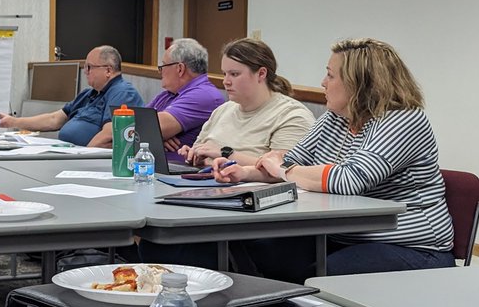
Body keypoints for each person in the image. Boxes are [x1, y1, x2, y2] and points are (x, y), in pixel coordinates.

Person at [215, 37, 455, 279]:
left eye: (330, 76)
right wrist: (245, 172)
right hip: (340, 235)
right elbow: (293, 161)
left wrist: (283, 170)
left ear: (359, 83)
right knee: (253, 249)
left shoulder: (403, 120)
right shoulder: (335, 118)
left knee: (320, 276)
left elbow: (350, 179)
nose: (323, 83)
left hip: (412, 247)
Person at [179, 37, 314, 166]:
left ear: (261, 74)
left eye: (234, 74)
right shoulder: (222, 110)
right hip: (204, 183)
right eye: (224, 74)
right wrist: (193, 154)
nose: (226, 81)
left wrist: (225, 154)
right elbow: (201, 150)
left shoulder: (292, 116)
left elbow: (284, 169)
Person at [86, 37, 224, 160]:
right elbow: (144, 127)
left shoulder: (204, 95)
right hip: (151, 166)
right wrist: (155, 140)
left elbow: (144, 128)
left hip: (177, 173)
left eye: (163, 66)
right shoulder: (167, 94)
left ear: (180, 69)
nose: (160, 71)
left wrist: (152, 137)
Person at [0, 45, 143, 146]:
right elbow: (54, 119)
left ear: (108, 70)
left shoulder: (122, 93)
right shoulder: (88, 94)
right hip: (69, 153)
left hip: (88, 161)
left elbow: (109, 134)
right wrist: (12, 122)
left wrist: (82, 156)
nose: (85, 71)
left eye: (89, 67)